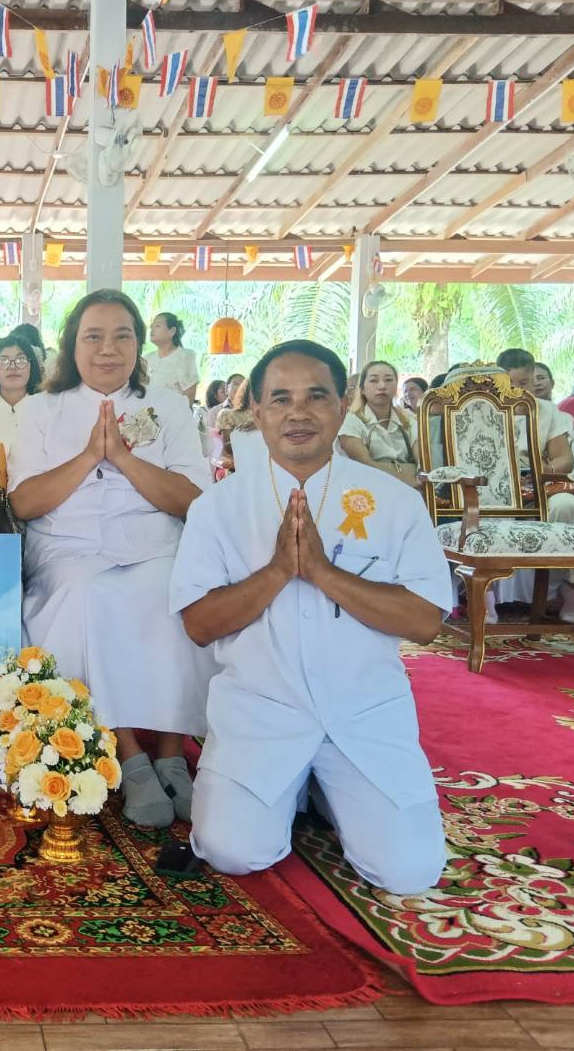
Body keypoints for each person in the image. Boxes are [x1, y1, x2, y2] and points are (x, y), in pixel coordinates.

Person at [170, 340, 450, 895]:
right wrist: (277, 571)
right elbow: (200, 624)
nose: (298, 413)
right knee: (232, 851)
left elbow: (424, 620)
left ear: (342, 403)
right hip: (261, 713)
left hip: (365, 714)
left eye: (315, 396)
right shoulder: (218, 507)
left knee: (411, 872)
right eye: (280, 399)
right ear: (256, 411)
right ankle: (295, 786)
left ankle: (321, 789)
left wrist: (323, 573)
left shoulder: (392, 501)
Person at [9, 290, 212, 829]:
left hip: (155, 542)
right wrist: (89, 457)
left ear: (140, 345)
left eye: (122, 335)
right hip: (68, 548)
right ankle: (130, 755)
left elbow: (194, 501)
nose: (108, 349)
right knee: (90, 593)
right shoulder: (39, 409)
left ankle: (172, 751)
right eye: (93, 336)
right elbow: (25, 503)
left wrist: (123, 458)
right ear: (71, 345)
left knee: (176, 590)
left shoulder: (167, 406)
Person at [492, 349, 574, 622]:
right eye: (511, 384)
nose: (518, 391)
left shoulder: (549, 412)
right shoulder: (486, 410)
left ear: (534, 379)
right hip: (498, 488)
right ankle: (485, 600)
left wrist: (541, 471)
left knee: (569, 508)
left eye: (524, 384)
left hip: (542, 485)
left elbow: (564, 459)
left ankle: (572, 598)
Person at [337, 361, 418, 487]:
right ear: (362, 389)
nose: (382, 386)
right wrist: (406, 479)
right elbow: (365, 464)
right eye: (374, 381)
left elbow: (423, 464)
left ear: (396, 386)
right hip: (368, 490)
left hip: (411, 491)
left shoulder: (409, 421)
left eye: (388, 380)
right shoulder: (351, 421)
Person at [144, 312, 199, 402]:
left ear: (172, 331)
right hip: (147, 412)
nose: (152, 330)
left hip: (175, 413)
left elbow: (189, 397)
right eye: (151, 327)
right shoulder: (147, 359)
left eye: (157, 326)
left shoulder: (185, 357)